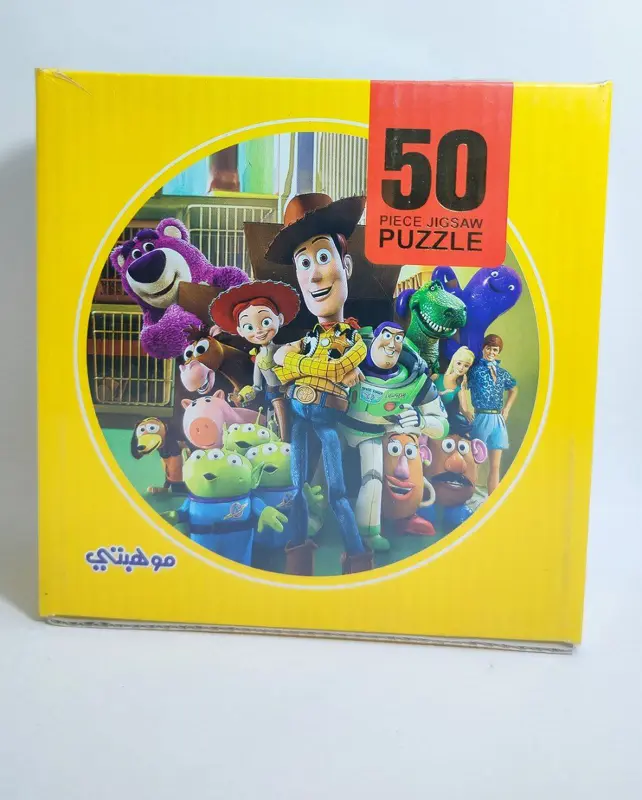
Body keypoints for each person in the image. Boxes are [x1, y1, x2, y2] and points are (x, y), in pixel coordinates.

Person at [268, 192, 372, 575]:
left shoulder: (355, 338)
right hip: (299, 420)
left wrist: (299, 366)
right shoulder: (307, 337)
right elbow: (280, 367)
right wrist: (309, 366)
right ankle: (298, 555)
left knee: (337, 493)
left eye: (323, 257)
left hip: (327, 423)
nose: (313, 275)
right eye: (304, 263)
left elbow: (340, 364)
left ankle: (357, 558)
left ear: (346, 265)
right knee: (296, 488)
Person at [341, 321, 448, 551]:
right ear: (374, 338)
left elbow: (442, 425)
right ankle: (313, 517)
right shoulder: (346, 359)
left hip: (372, 434)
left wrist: (421, 422)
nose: (392, 344)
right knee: (321, 472)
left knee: (373, 479)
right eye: (387, 336)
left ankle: (369, 532)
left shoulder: (417, 382)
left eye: (398, 338)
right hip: (336, 426)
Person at [209, 280, 300, 441]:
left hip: (293, 391)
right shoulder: (258, 358)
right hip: (273, 395)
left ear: (279, 319)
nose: (258, 331)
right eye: (249, 327)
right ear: (240, 331)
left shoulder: (285, 348)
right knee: (276, 418)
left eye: (265, 322)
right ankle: (282, 441)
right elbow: (257, 386)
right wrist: (242, 397)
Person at [467, 334, 518, 495]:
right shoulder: (475, 370)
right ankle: (467, 496)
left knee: (495, 465)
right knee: (475, 461)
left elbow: (513, 389)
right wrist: (464, 408)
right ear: (483, 348)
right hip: (481, 417)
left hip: (498, 419)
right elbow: (461, 385)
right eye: (488, 348)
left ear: (498, 352)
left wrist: (507, 409)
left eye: (495, 349)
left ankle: (492, 498)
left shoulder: (501, 373)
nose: (491, 352)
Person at [433, 346, 475, 421]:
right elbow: (424, 392)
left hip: (440, 418)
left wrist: (463, 388)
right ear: (453, 362)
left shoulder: (458, 388)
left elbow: (464, 410)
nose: (461, 368)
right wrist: (443, 392)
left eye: (466, 366)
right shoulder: (436, 377)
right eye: (459, 363)